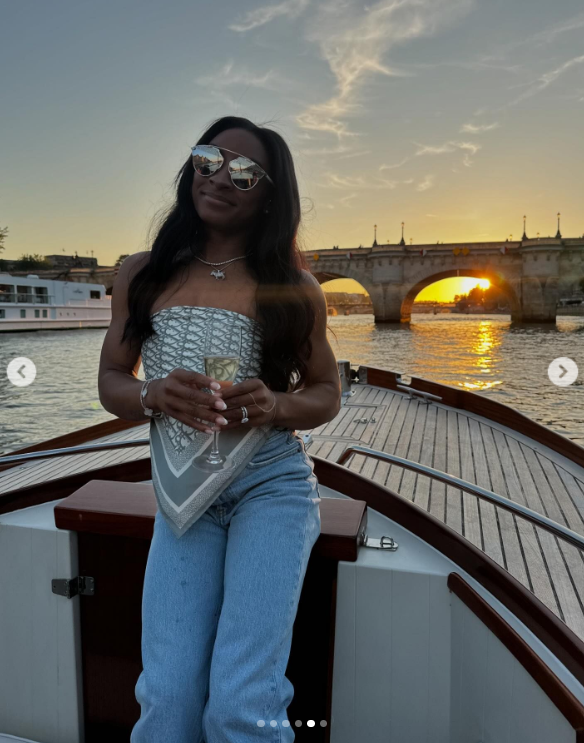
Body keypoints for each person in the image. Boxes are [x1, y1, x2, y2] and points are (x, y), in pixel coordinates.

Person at [97, 115, 341, 742]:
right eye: (210, 158)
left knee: (240, 702)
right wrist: (152, 393)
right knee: (167, 697)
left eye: (245, 173)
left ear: (269, 196)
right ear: (191, 167)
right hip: (183, 498)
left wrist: (275, 407)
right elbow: (112, 382)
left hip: (271, 487)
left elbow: (324, 393)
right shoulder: (142, 272)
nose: (221, 177)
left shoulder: (295, 288)